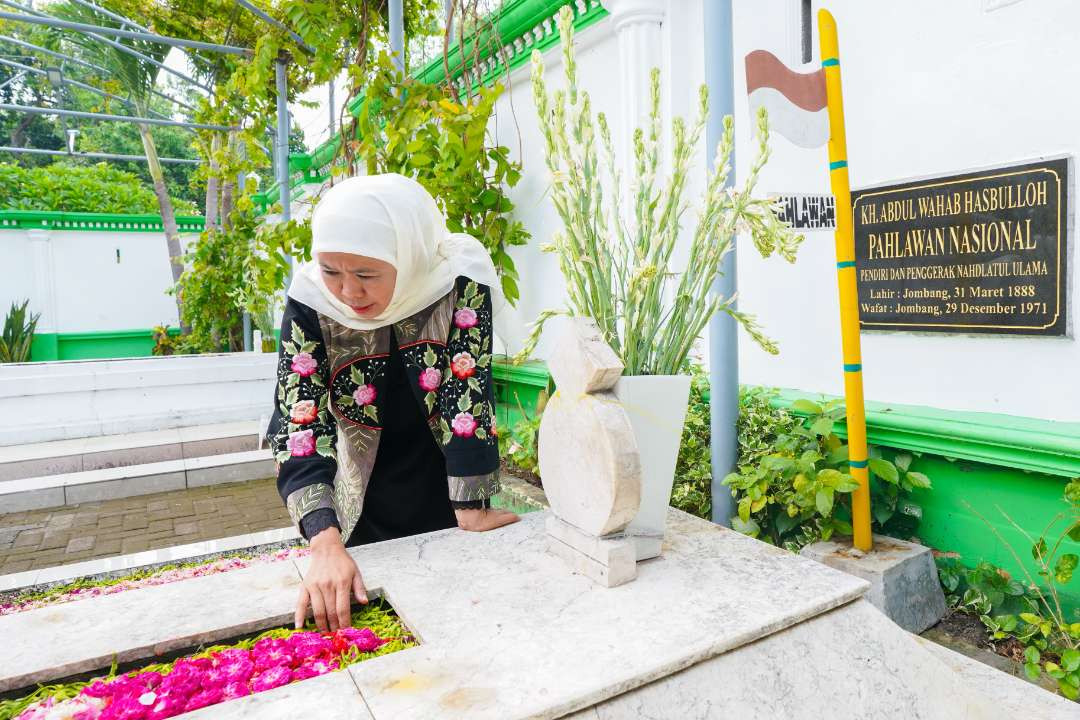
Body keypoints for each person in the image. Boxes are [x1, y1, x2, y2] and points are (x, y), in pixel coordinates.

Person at [265, 173, 519, 633]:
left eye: (366, 274)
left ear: (407, 254)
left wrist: (471, 506)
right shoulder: (310, 301)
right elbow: (298, 415)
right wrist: (324, 541)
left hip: (445, 492)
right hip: (357, 503)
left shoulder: (456, 280)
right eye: (331, 271)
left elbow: (466, 385)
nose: (347, 292)